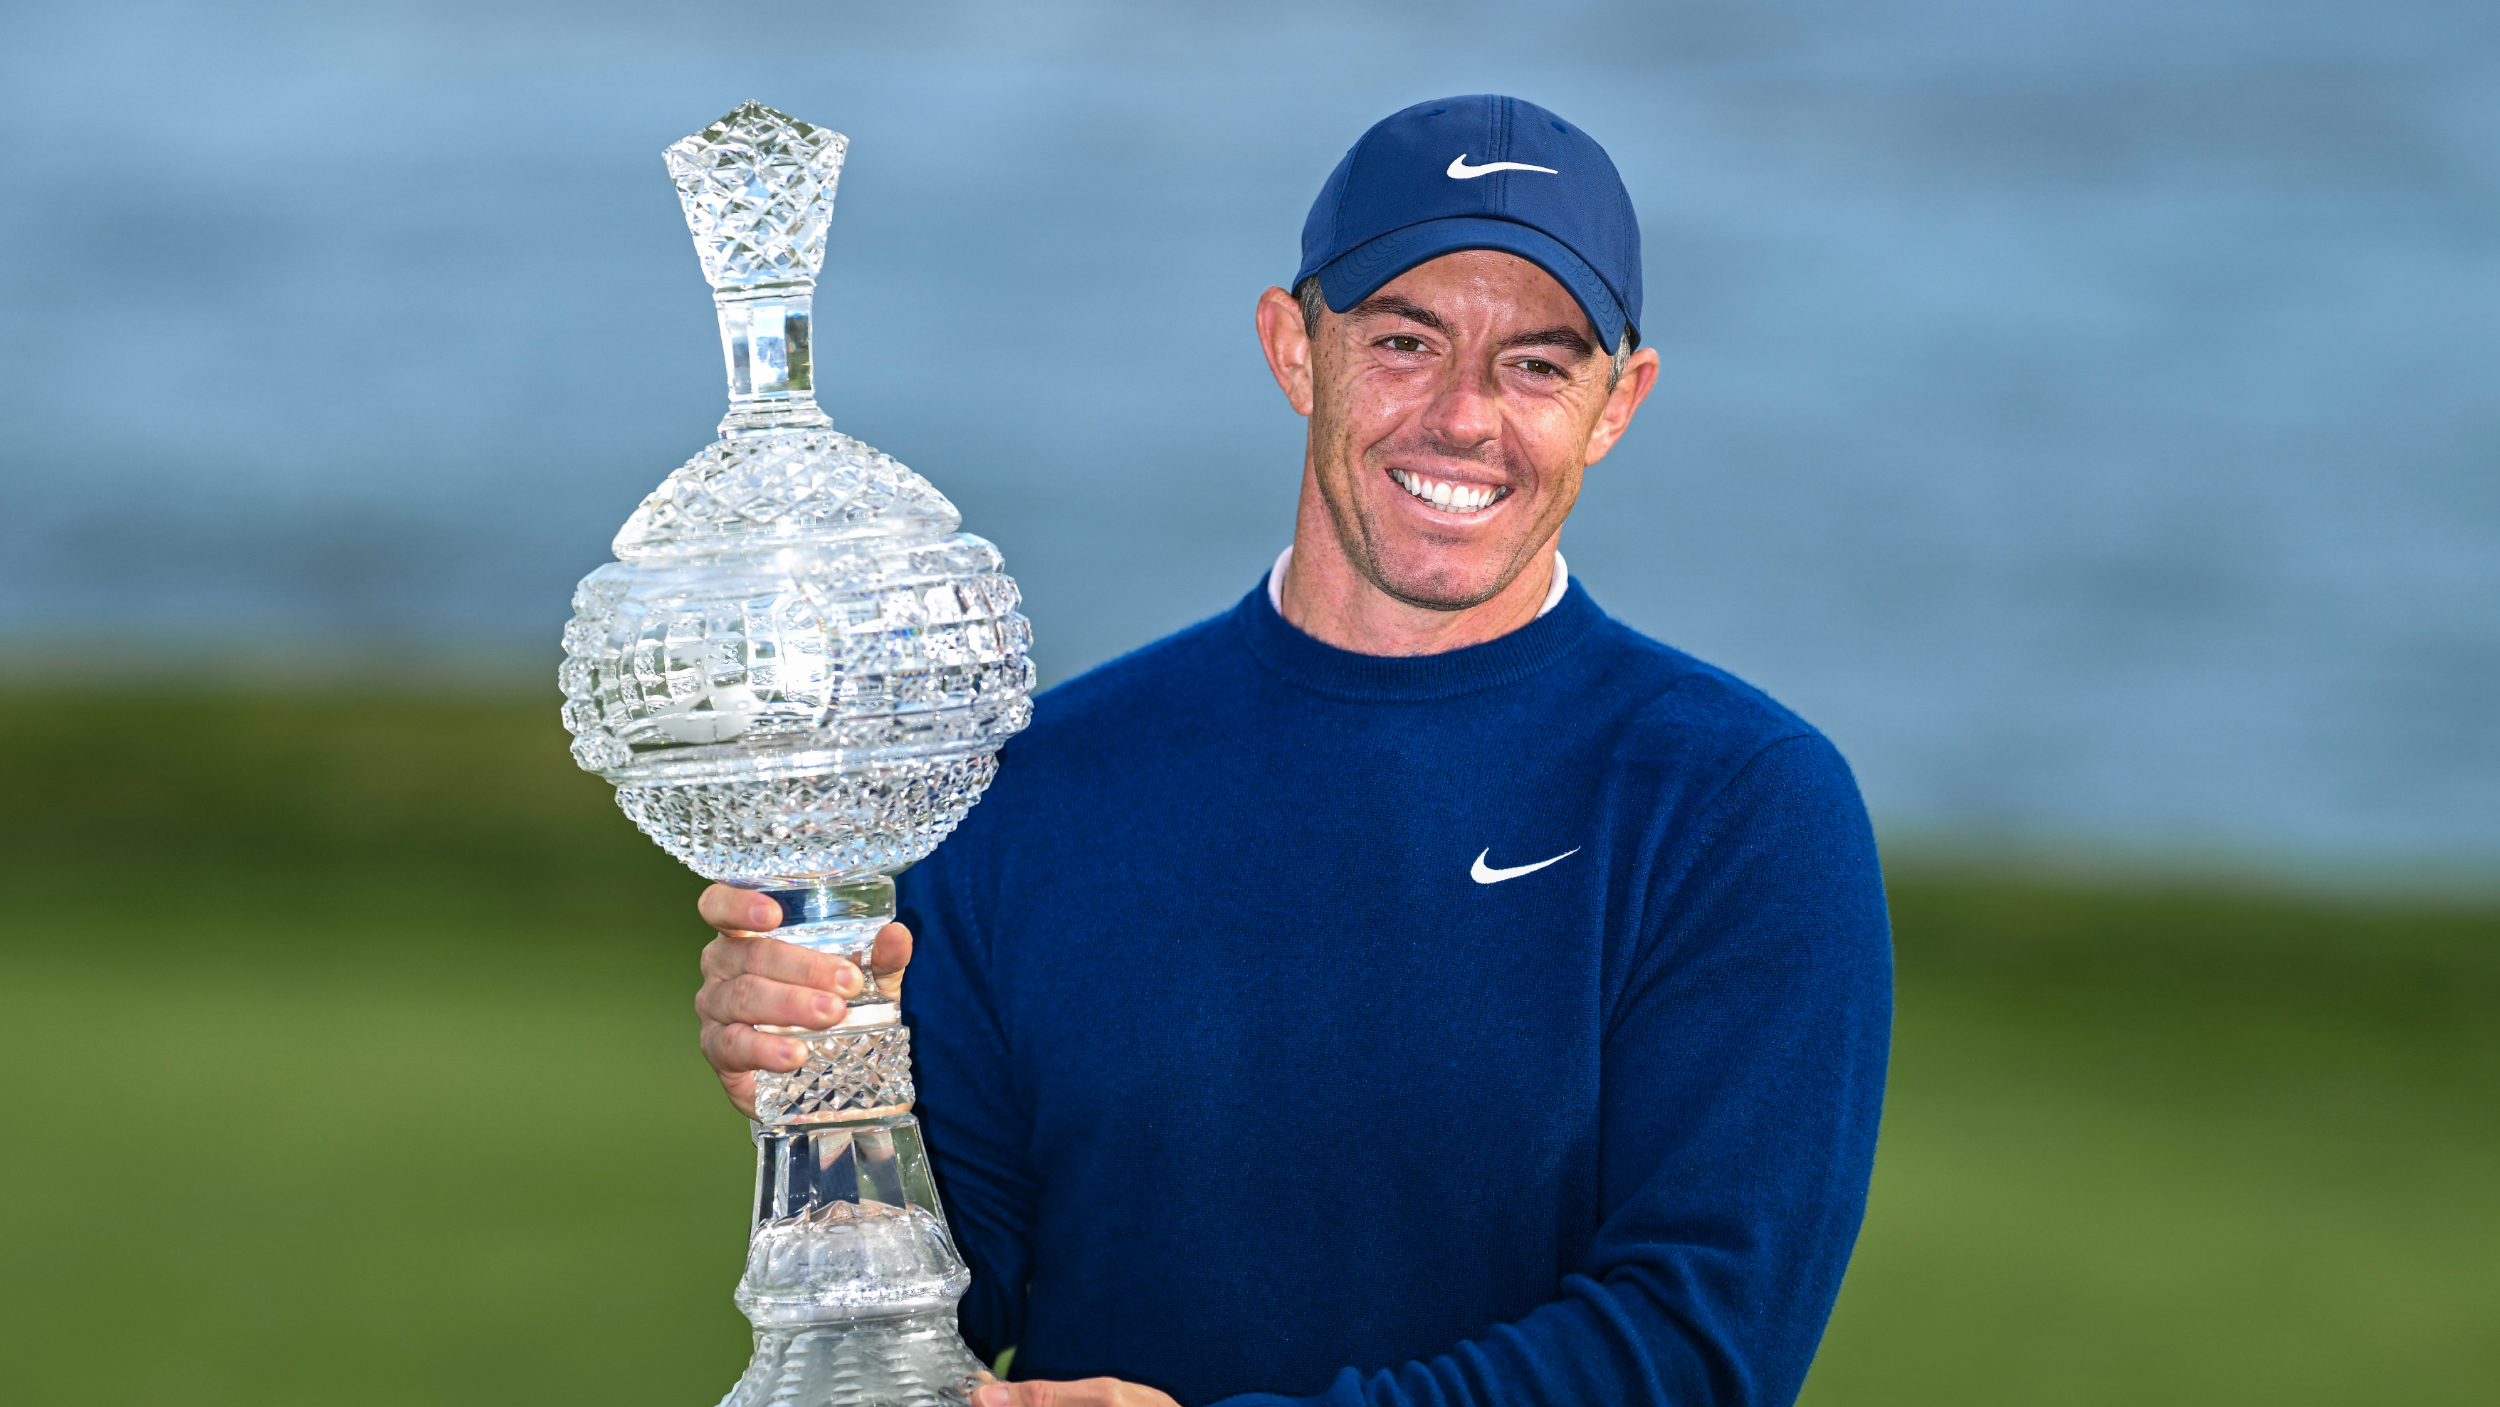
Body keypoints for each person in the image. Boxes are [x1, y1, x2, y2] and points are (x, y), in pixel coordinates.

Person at [692, 94, 1891, 1407]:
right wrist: (831, 1107)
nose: (1463, 417)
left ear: (1618, 404)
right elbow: (923, 1324)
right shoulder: (1029, 787)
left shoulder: (1739, 806)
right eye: (1403, 341)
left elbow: (1702, 1350)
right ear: (1293, 348)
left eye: (1539, 365)